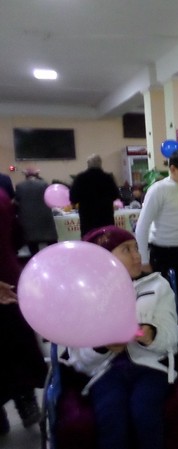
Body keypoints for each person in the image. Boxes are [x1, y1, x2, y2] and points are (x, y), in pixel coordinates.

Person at [68, 225, 178, 449]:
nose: (137, 256)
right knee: (111, 417)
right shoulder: (84, 295)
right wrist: (102, 347)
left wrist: (151, 335)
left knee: (145, 413)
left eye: (136, 248)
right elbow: (78, 358)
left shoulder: (158, 286)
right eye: (126, 250)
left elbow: (172, 336)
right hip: (105, 371)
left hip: (150, 366)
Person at [0, 189, 47, 435]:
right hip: (9, 275)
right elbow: (17, 234)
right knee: (17, 344)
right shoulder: (2, 196)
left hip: (6, 280)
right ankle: (26, 401)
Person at [135, 148, 178, 307]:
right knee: (164, 300)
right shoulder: (159, 190)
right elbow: (142, 226)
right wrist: (144, 260)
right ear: (173, 169)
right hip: (162, 252)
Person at [70, 154, 121, 236]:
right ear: (100, 163)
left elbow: (73, 198)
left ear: (88, 164)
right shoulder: (108, 178)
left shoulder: (80, 178)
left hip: (87, 218)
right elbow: (115, 195)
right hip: (106, 217)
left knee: (89, 239)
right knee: (106, 239)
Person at [14, 168, 58, 255]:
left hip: (28, 220)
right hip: (45, 219)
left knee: (33, 247)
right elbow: (51, 198)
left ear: (26, 176)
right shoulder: (44, 184)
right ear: (37, 175)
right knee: (52, 245)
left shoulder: (19, 186)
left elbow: (16, 201)